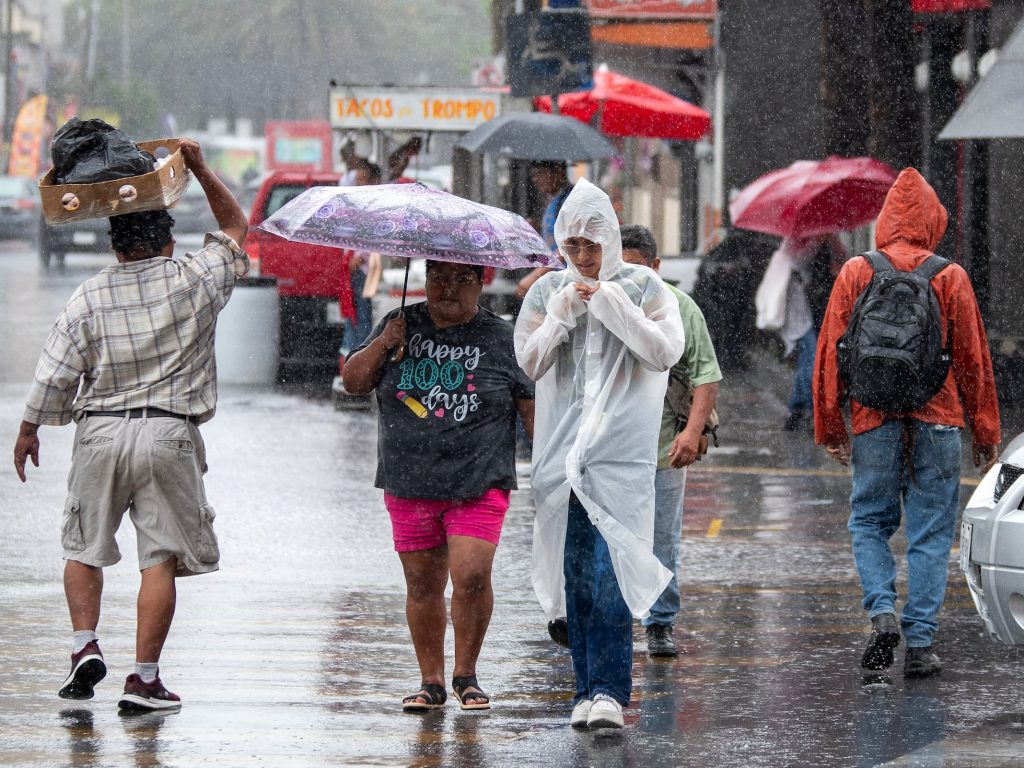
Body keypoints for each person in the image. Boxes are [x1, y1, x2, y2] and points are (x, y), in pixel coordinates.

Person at [13, 139, 248, 711]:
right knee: (159, 558)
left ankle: (84, 644)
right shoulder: (193, 279)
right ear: (168, 240)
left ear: (115, 246)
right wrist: (197, 166)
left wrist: (29, 429)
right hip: (168, 433)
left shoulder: (89, 296)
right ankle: (143, 680)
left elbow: (54, 373)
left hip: (100, 433)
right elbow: (236, 227)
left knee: (83, 546)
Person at [814, 167, 1000, 678]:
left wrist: (830, 427)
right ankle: (920, 643)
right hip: (939, 421)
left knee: (869, 522)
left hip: (874, 418)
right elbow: (974, 360)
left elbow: (831, 354)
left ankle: (881, 612)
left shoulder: (857, 271)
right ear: (933, 221)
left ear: (886, 220)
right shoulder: (950, 276)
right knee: (931, 532)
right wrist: (985, 433)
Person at [514, 178, 685, 729]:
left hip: (619, 457)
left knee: (613, 571)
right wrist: (561, 315)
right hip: (563, 458)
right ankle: (585, 689)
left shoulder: (643, 286)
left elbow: (665, 351)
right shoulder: (548, 291)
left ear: (610, 238)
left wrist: (616, 309)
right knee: (577, 577)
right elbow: (530, 362)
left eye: (593, 244)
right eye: (572, 246)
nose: (583, 256)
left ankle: (611, 689)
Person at [343, 260, 535, 712]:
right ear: (425, 279)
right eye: (439, 278)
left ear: (482, 282)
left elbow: (530, 409)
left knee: (472, 574)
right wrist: (385, 343)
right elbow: (353, 382)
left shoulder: (504, 337)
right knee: (422, 583)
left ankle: (466, 675)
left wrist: (552, 467)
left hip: (480, 479)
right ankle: (430, 682)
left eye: (463, 279)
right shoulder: (398, 324)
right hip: (409, 478)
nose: (449, 289)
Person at [619, 224, 722, 658]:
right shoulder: (603, 305)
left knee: (662, 539)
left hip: (665, 449)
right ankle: (613, 617)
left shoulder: (681, 308)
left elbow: (706, 376)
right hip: (613, 450)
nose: (630, 279)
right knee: (615, 538)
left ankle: (660, 622)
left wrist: (692, 432)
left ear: (656, 266)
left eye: (638, 269)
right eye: (621, 269)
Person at [756, 234, 844, 430]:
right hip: (801, 317)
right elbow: (800, 263)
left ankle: (795, 410)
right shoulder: (796, 244)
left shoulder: (811, 244)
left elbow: (837, 261)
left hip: (811, 313)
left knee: (807, 361)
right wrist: (819, 242)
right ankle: (811, 410)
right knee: (811, 362)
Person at [514, 160, 572, 302]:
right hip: (556, 282)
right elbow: (556, 237)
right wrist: (536, 230)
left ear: (558, 172)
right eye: (533, 175)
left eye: (540, 173)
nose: (535, 179)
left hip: (567, 282)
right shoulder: (554, 200)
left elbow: (570, 243)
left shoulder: (569, 200)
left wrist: (535, 276)